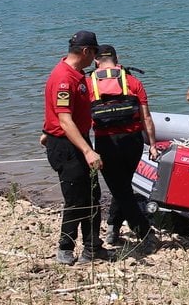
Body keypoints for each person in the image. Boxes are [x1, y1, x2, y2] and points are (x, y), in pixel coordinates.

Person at [41, 30, 107, 265]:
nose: (96, 59)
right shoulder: (64, 78)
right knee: (76, 199)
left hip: (75, 139)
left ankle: (92, 247)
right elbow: (64, 120)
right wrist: (88, 151)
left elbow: (57, 112)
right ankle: (65, 248)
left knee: (92, 195)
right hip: (67, 145)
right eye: (94, 53)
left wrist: (45, 129)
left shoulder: (76, 74)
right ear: (86, 51)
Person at [89, 45, 159, 254]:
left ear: (96, 62)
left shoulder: (89, 83)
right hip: (133, 142)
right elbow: (146, 117)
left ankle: (144, 233)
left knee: (120, 189)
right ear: (117, 59)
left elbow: (82, 117)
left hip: (106, 142)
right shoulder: (133, 82)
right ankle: (113, 227)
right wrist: (153, 144)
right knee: (123, 187)